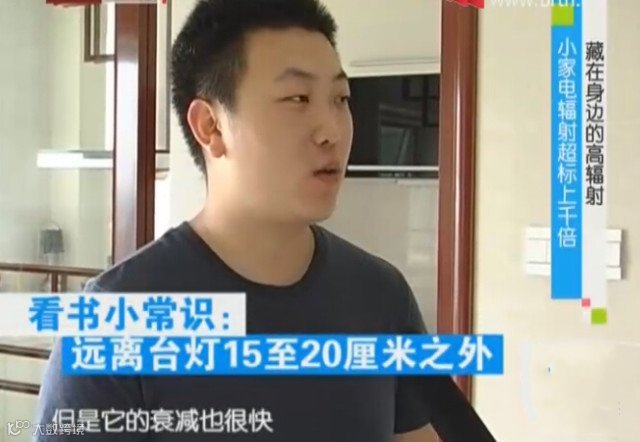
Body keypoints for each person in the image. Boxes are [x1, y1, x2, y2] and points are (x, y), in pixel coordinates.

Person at [36, 0, 490, 440]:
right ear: (210, 126)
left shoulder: (381, 295)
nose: (332, 130)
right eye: (297, 98)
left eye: (340, 98)